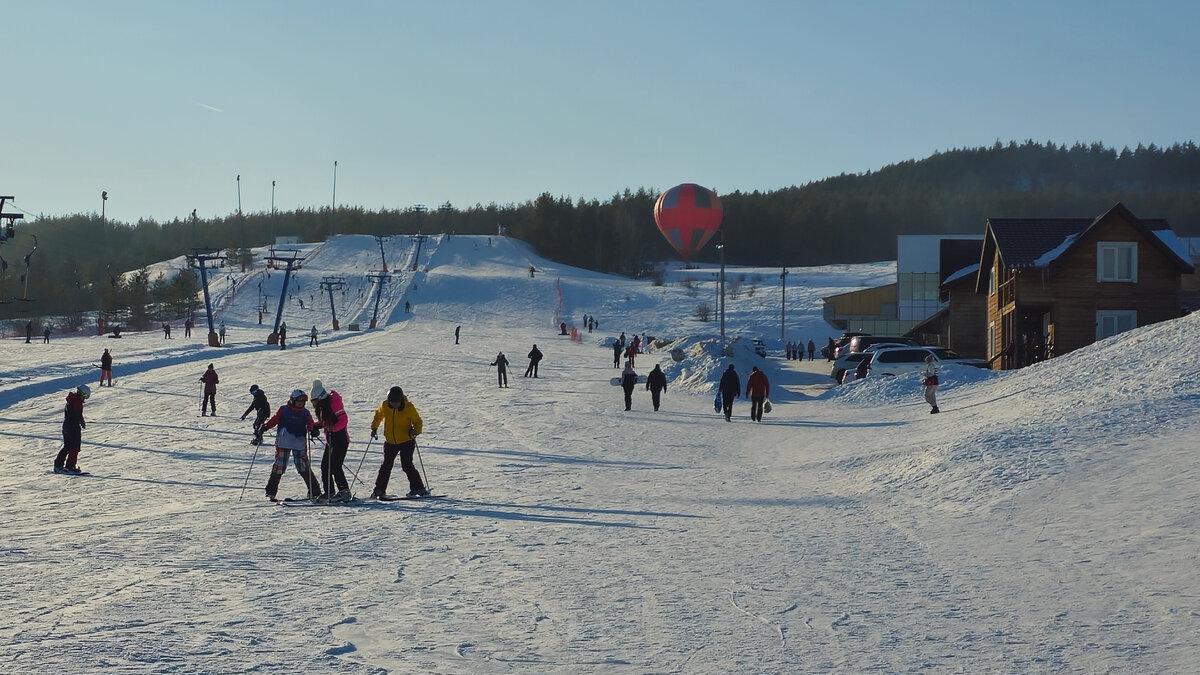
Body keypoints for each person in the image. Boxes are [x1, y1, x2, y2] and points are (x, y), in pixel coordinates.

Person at [257, 389, 323, 501]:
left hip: (299, 443)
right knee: (279, 466)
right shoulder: (284, 410)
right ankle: (270, 492)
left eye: (303, 401)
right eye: (299, 401)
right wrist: (266, 426)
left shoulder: (305, 413)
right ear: (292, 400)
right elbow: (274, 420)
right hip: (284, 442)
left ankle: (315, 491)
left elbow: (310, 424)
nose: (301, 403)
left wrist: (313, 430)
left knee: (303, 466)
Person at [370, 386, 427, 498]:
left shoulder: (409, 407)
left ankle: (418, 488)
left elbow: (417, 421)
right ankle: (379, 490)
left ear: (401, 400)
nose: (394, 404)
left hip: (407, 441)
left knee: (407, 465)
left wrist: (415, 431)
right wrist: (374, 427)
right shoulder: (385, 405)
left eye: (396, 402)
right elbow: (378, 414)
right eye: (392, 402)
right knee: (386, 466)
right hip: (390, 442)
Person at [310, 380, 351, 502]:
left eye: (315, 401)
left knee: (335, 466)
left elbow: (343, 419)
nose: (314, 404)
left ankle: (344, 491)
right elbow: (325, 422)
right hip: (331, 440)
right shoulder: (322, 406)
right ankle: (329, 492)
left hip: (341, 439)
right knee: (325, 466)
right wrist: (314, 426)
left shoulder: (334, 403)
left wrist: (333, 428)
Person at [55, 385, 90, 474]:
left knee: (67, 446)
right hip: (73, 426)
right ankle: (70, 466)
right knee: (75, 447)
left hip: (66, 425)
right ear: (81, 394)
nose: (85, 399)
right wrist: (81, 421)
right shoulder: (77, 401)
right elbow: (77, 413)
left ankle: (58, 465)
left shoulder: (72, 399)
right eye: (85, 396)